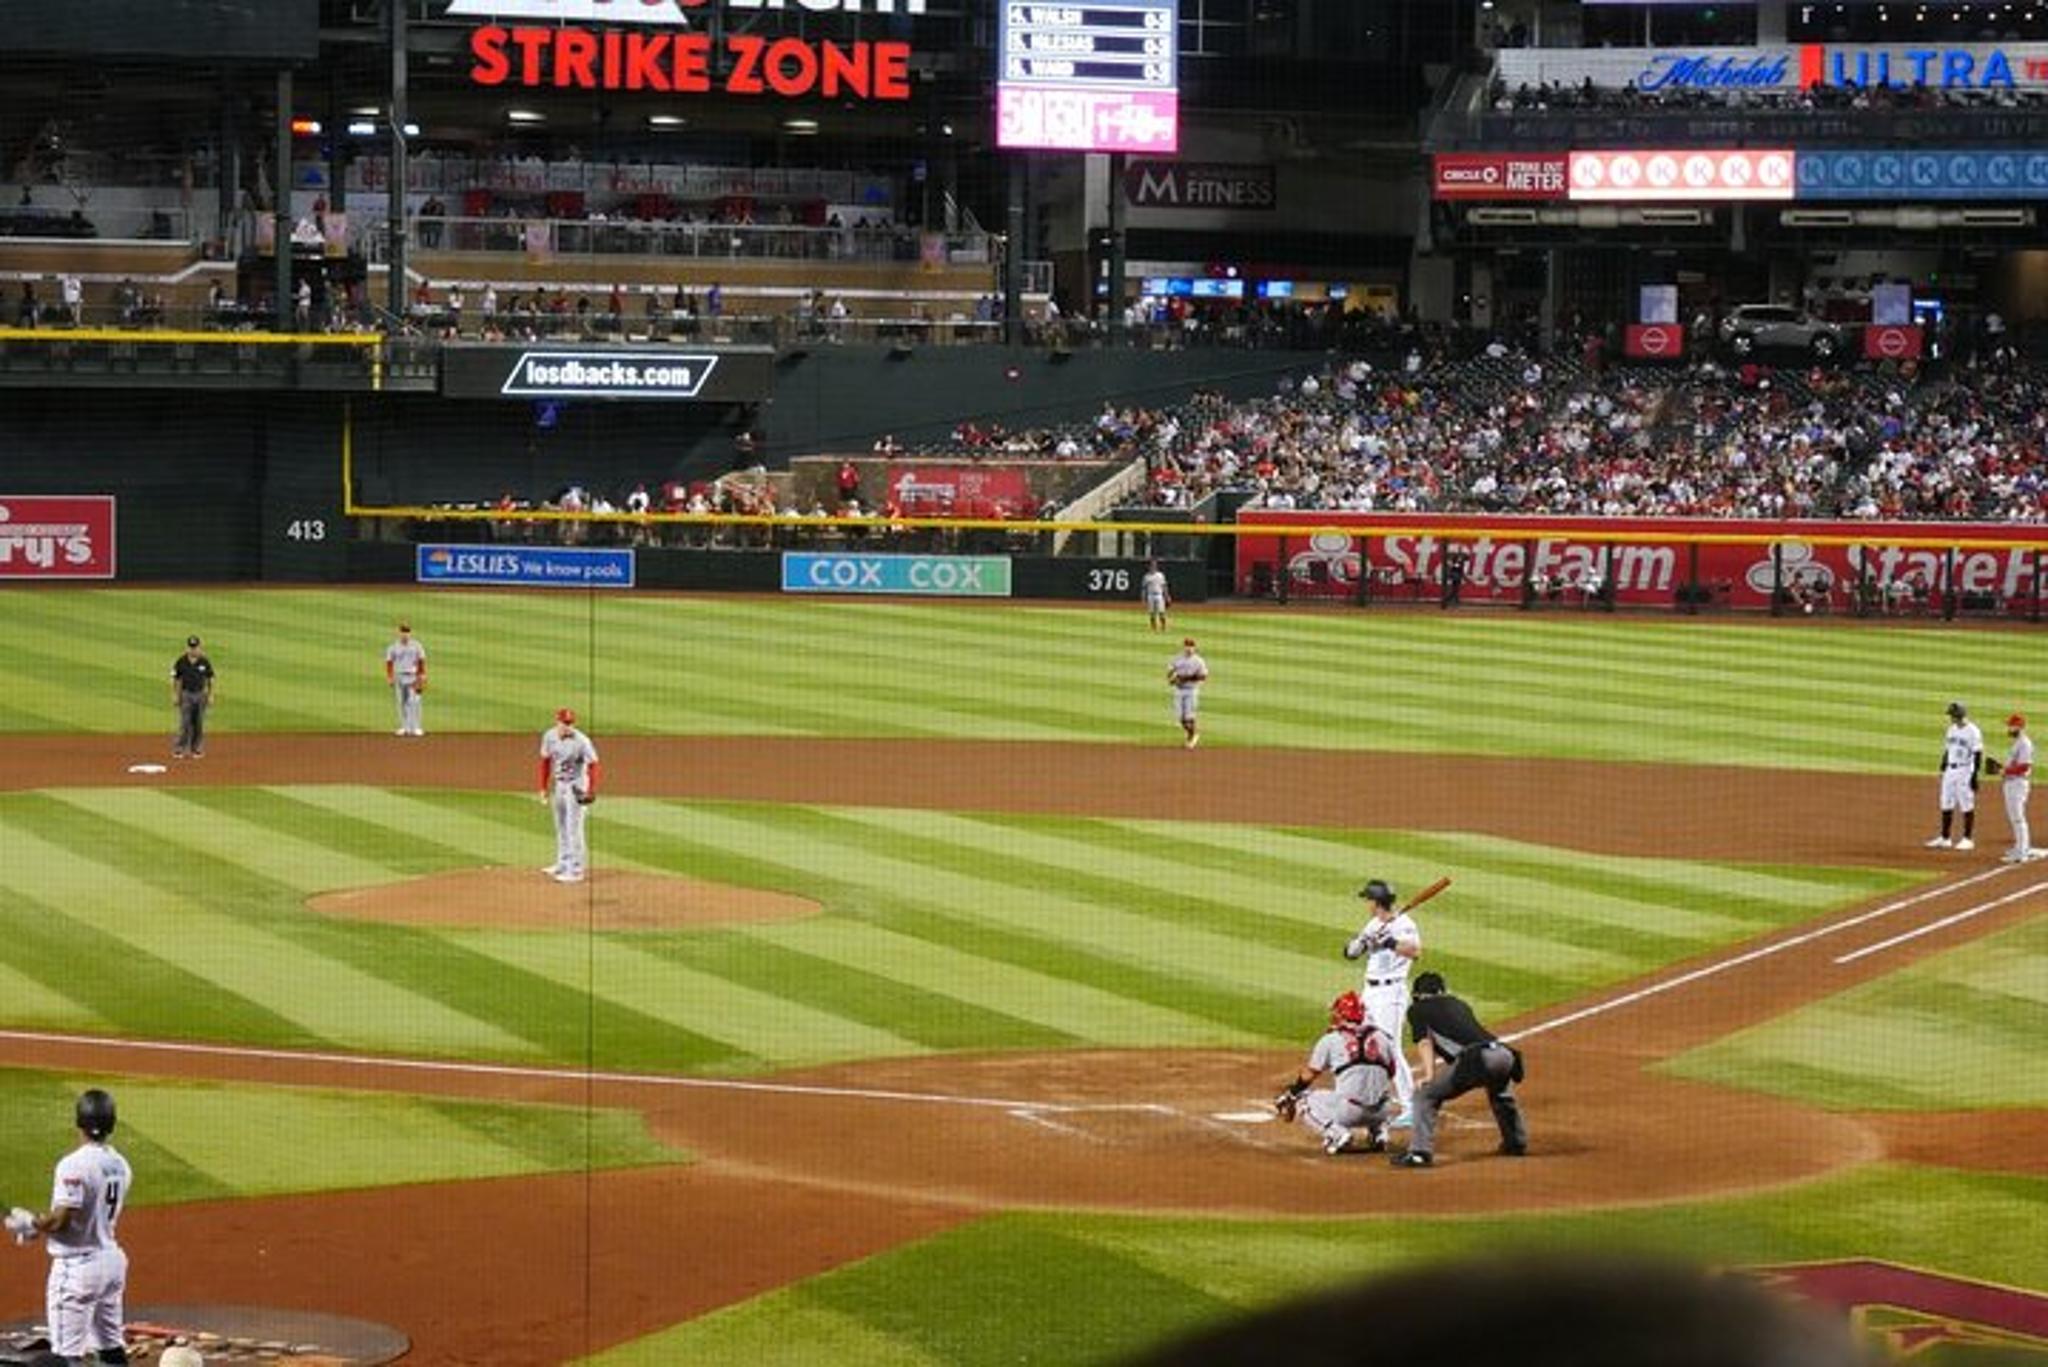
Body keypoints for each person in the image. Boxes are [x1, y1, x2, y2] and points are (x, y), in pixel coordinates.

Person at [6, 1089, 132, 1366]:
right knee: (111, 1346)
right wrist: (38, 1227)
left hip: (77, 1270)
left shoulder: (73, 1165)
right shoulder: (121, 1164)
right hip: (111, 1263)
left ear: (79, 1122)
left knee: (66, 1356)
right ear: (111, 1124)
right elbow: (82, 1216)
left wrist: (31, 1223)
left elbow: (63, 1220)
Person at [1393, 970, 1527, 1167]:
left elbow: (1424, 1042)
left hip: (1478, 1059)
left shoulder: (1418, 1009)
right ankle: (1516, 1142)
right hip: (1504, 1054)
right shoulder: (1458, 1003)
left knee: (1425, 1095)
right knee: (1501, 1093)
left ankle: (1420, 1153)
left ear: (1418, 995)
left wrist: (1428, 1075)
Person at [1273, 991, 1397, 1155]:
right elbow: (1391, 1072)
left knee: (1303, 1099)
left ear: (1342, 1015)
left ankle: (1338, 1134)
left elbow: (1310, 1074)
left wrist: (1292, 1093)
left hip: (1350, 1113)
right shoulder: (1382, 1037)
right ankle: (1379, 1132)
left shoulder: (1331, 1039)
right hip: (1382, 1111)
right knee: (1382, 1092)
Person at [1344, 879, 1420, 1124]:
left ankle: (1412, 1105)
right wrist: (1362, 943)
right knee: (1365, 1042)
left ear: (1376, 902)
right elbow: (1350, 954)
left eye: (1368, 899)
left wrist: (1388, 941)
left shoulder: (1404, 924)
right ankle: (1369, 1095)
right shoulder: (1374, 923)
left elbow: (1414, 952)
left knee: (1390, 1048)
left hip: (1392, 993)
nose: (1366, 903)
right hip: (1370, 991)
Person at [538, 707, 600, 883]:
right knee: (561, 826)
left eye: (570, 723)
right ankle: (562, 863)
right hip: (559, 785)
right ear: (557, 722)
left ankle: (576, 870)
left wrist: (591, 789)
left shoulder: (582, 741)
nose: (567, 726)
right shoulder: (549, 737)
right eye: (564, 723)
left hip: (576, 787)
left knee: (574, 828)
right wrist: (543, 787)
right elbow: (545, 761)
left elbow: (594, 764)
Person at [1926, 700, 1984, 851]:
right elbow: (1947, 750)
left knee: (1966, 803)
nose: (1950, 717)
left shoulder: (1973, 731)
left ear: (1959, 715)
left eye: (1952, 715)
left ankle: (1967, 838)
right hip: (1950, 771)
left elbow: (1978, 754)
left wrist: (1974, 776)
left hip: (1965, 771)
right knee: (1946, 802)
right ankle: (1945, 838)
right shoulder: (1951, 729)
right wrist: (1942, 768)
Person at [1987, 712, 2038, 863]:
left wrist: (2004, 771)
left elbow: (2025, 766)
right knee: (2014, 818)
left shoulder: (2025, 744)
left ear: (2019, 727)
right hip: (2012, 782)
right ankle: (2020, 846)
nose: (2008, 728)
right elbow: (2015, 765)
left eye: (2011, 726)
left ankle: (2022, 852)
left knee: (2018, 818)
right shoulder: (2018, 743)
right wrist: (2002, 768)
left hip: (2018, 784)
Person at [169, 635, 214, 759]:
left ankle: (196, 749)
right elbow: (175, 678)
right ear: (187, 647)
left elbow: (210, 678)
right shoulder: (181, 661)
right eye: (191, 647)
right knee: (185, 723)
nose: (193, 650)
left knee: (198, 723)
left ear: (199, 648)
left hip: (201, 695)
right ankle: (179, 749)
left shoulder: (204, 661)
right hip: (186, 694)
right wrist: (174, 695)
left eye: (195, 647)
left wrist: (211, 695)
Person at [383, 623, 427, 737]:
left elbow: (422, 660)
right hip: (399, 676)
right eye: (403, 631)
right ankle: (404, 727)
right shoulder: (393, 647)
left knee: (414, 702)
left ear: (410, 633)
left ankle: (416, 727)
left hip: (413, 677)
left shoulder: (417, 645)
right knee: (401, 702)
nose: (405, 634)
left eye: (407, 631)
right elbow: (389, 662)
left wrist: (422, 675)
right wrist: (389, 677)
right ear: (399, 633)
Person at [1166, 637, 1209, 749]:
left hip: (1191, 691)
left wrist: (1185, 678)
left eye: (1191, 646)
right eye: (1187, 646)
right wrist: (1172, 679)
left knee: (1189, 717)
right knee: (1180, 719)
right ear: (1184, 647)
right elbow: (1170, 672)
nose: (1189, 648)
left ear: (1194, 648)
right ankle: (1191, 733)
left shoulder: (1199, 661)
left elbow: (1203, 676)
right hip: (1178, 691)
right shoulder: (1177, 658)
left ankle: (1193, 735)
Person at [1140, 559, 1170, 632]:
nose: (1153, 567)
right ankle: (1154, 628)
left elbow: (1164, 586)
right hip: (1150, 596)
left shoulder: (1160, 575)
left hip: (1159, 595)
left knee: (1161, 612)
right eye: (1151, 565)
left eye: (1154, 565)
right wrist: (1143, 598)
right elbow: (1144, 588)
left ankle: (1163, 627)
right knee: (1152, 613)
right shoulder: (1146, 576)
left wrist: (1167, 596)